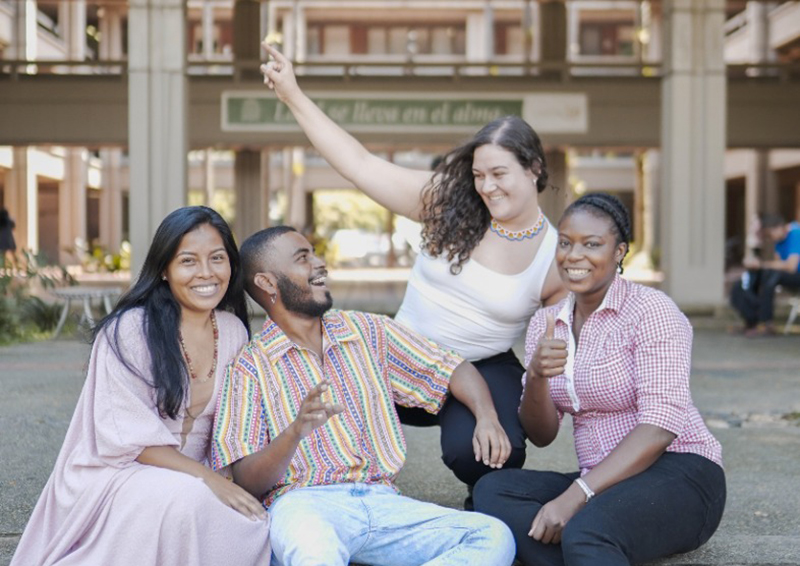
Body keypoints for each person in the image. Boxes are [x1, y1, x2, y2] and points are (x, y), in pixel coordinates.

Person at [260, 44, 566, 495]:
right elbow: (359, 164)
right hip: (400, 353)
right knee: (306, 397)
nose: (486, 187)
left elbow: (561, 359)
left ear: (534, 168)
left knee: (488, 452)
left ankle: (491, 508)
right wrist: (292, 94)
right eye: (479, 175)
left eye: (499, 174)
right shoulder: (449, 203)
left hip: (480, 367)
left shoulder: (556, 256)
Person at [211, 226, 516, 566]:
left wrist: (487, 417)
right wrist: (294, 433)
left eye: (314, 253)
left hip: (385, 502)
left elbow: (453, 369)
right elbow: (245, 480)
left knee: (493, 536)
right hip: (303, 505)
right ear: (268, 283)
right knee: (314, 554)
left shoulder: (369, 332)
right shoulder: (249, 366)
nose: (320, 264)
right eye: (303, 258)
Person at [473, 193, 726, 566]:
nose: (574, 256)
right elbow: (541, 434)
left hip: (681, 471)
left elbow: (661, 426)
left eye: (592, 244)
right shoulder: (549, 323)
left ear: (620, 251)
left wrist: (576, 495)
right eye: (565, 243)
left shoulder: (651, 311)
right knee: (492, 492)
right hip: (604, 479)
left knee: (586, 529)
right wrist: (539, 376)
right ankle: (590, 552)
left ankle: (590, 543)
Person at [11, 206, 271, 566]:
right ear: (164, 269)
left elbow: (237, 428)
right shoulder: (129, 330)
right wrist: (209, 480)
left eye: (217, 258)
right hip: (119, 470)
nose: (206, 273)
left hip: (196, 476)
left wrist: (224, 478)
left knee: (254, 524)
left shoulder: (233, 330)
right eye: (188, 261)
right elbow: (128, 438)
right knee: (190, 501)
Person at [738, 214, 800, 337]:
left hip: (797, 275)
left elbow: (791, 266)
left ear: (779, 227)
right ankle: (752, 320)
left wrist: (763, 264)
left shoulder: (795, 233)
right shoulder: (779, 241)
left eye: (770, 234)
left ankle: (766, 323)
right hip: (784, 275)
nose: (771, 239)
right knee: (757, 275)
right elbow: (778, 264)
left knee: (771, 276)